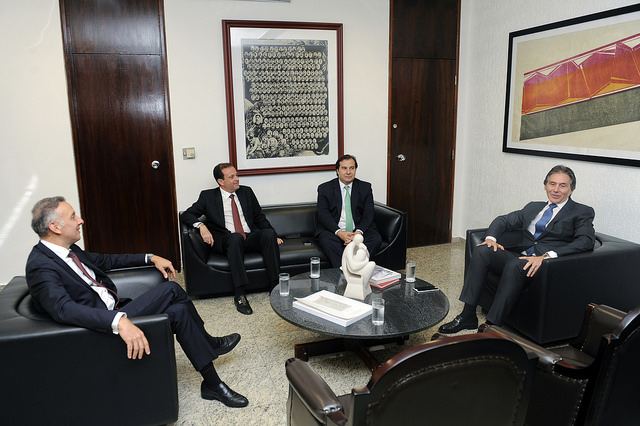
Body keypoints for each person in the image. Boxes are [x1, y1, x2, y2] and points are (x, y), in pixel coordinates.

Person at [25, 196, 248, 407]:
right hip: (101, 331)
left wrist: (150, 257)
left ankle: (212, 384)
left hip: (116, 311)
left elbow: (106, 260)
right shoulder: (40, 265)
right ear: (55, 227)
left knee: (179, 310)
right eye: (74, 216)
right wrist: (118, 321)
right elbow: (63, 309)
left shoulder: (68, 250)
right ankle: (209, 343)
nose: (80, 220)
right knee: (171, 289)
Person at [438, 165, 596, 334]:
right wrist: (491, 239)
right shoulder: (533, 207)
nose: (556, 189)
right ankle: (468, 315)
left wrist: (547, 256)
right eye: (552, 184)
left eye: (562, 185)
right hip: (520, 257)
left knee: (515, 264)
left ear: (572, 189)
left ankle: (491, 327)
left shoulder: (581, 212)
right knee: (483, 250)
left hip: (546, 265)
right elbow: (503, 220)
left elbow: (586, 241)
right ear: (545, 185)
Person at [181, 162, 283, 315]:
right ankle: (240, 293)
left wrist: (274, 235)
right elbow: (187, 214)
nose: (237, 179)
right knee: (235, 238)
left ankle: (275, 287)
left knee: (268, 234)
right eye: (232, 177)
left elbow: (259, 217)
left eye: (236, 175)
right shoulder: (208, 196)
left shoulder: (246, 192)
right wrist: (201, 226)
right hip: (227, 239)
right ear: (221, 182)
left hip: (248, 237)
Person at [316, 154, 382, 268]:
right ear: (337, 171)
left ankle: (355, 267)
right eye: (344, 168)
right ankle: (344, 270)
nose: (348, 172)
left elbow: (369, 213)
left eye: (352, 168)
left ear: (355, 169)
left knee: (375, 238)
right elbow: (323, 214)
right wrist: (340, 233)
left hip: (358, 230)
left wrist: (357, 233)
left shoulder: (365, 187)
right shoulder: (325, 188)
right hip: (334, 231)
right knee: (326, 240)